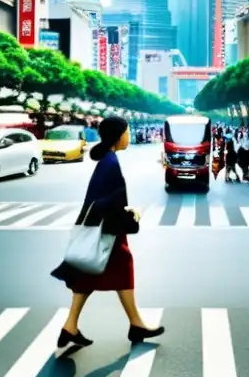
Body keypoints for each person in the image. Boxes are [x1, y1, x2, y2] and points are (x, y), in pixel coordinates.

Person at [51, 116, 164, 348]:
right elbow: (108, 203)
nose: (130, 135)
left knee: (88, 275)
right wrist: (131, 218)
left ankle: (72, 326)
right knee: (119, 269)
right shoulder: (110, 163)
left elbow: (103, 200)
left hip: (101, 227)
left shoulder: (107, 160)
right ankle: (135, 325)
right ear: (119, 135)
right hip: (107, 231)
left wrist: (123, 211)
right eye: (128, 131)